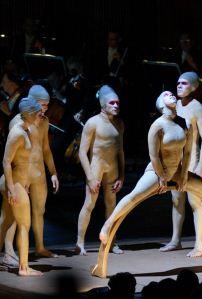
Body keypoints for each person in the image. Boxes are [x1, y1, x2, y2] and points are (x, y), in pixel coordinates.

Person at [99, 91, 202, 248]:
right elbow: (154, 156)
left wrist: (183, 175)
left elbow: (188, 152)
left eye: (172, 94)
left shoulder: (184, 123)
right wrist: (161, 177)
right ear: (161, 104)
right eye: (166, 95)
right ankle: (107, 225)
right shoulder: (158, 125)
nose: (172, 95)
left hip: (177, 171)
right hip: (157, 171)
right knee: (134, 196)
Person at [1, 85, 60, 267]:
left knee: (39, 211)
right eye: (42, 105)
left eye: (47, 105)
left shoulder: (44, 121)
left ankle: (40, 247)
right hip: (22, 174)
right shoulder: (17, 123)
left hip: (39, 173)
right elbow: (9, 159)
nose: (45, 109)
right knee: (15, 215)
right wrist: (16, 183)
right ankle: (9, 251)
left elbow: (46, 149)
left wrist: (53, 173)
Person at [0, 97, 43, 276]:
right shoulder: (18, 132)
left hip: (16, 182)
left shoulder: (24, 127)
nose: (40, 115)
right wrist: (12, 188)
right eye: (37, 112)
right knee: (24, 226)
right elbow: (6, 161)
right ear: (29, 114)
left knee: (4, 222)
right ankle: (24, 268)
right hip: (13, 183)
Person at [159, 72, 202, 257]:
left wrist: (201, 165)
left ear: (194, 86)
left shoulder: (197, 108)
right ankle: (176, 240)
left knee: (194, 200)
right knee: (176, 199)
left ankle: (199, 245)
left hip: (192, 159)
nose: (179, 86)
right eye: (178, 83)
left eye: (184, 83)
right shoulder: (176, 105)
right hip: (176, 160)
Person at [75, 85, 125, 255]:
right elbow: (82, 151)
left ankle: (112, 241)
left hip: (113, 170)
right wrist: (89, 177)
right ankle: (80, 242)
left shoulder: (119, 124)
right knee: (89, 204)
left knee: (112, 206)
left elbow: (120, 151)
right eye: (112, 103)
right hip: (96, 167)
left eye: (118, 103)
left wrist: (122, 176)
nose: (116, 106)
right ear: (103, 104)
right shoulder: (92, 122)